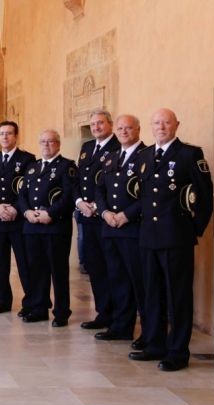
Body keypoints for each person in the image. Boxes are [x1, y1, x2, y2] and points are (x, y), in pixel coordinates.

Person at [128, 108, 213, 372]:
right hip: (148, 238)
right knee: (152, 293)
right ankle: (155, 344)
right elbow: (141, 198)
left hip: (177, 238)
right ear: (151, 127)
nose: (161, 126)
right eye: (157, 123)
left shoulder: (190, 155)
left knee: (178, 297)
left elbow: (205, 197)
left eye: (166, 122)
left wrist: (191, 230)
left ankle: (177, 352)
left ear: (176, 125)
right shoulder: (144, 156)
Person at [94, 115, 148, 347]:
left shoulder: (147, 155)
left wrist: (126, 215)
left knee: (140, 282)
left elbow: (149, 194)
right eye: (120, 128)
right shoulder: (111, 158)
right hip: (111, 228)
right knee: (117, 279)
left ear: (138, 129)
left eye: (129, 128)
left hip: (133, 228)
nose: (124, 131)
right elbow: (100, 190)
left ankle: (149, 332)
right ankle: (122, 326)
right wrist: (105, 213)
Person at [17, 129, 77, 327]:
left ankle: (61, 312)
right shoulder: (32, 167)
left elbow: (68, 196)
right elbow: (22, 194)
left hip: (55, 227)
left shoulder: (66, 166)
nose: (46, 145)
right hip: (32, 227)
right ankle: (39, 307)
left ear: (58, 144)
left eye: (50, 142)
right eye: (42, 141)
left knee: (58, 271)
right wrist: (26, 213)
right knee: (37, 270)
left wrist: (50, 214)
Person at [0, 120, 36, 315]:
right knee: (0, 264)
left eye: (9, 133)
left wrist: (14, 208)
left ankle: (30, 302)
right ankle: (3, 301)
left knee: (24, 263)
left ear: (16, 136)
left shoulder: (28, 159)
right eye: (2, 133)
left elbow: (28, 189)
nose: (5, 137)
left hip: (19, 220)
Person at [75, 109, 120, 331]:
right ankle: (103, 312)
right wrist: (79, 202)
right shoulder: (86, 148)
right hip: (86, 218)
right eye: (92, 124)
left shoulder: (118, 147)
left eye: (100, 123)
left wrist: (97, 206)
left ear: (110, 124)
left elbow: (116, 186)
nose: (96, 127)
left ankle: (117, 316)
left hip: (106, 218)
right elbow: (78, 179)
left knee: (112, 267)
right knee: (95, 267)